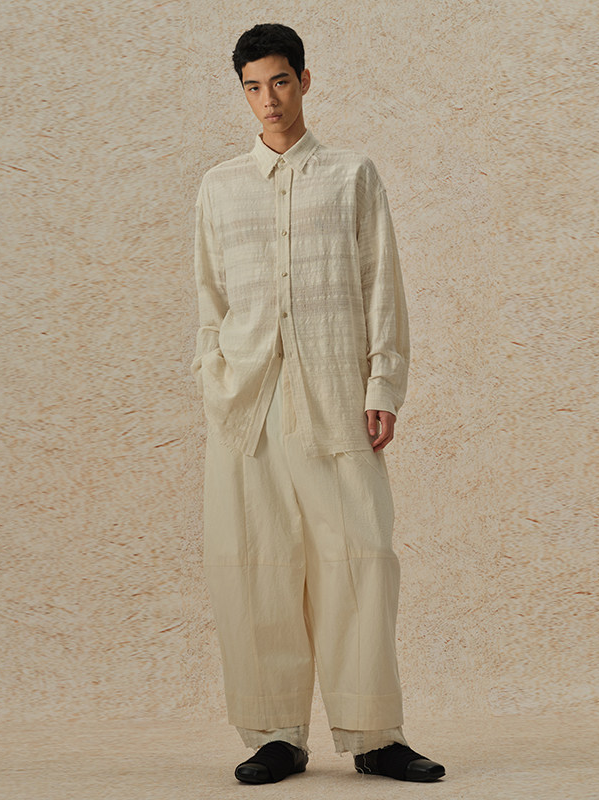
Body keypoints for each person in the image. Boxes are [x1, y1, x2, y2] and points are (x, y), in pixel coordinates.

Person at [191, 22, 445, 785]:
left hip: (335, 397)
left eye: (279, 81)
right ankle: (276, 736)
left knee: (360, 558)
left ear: (304, 80)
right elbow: (209, 299)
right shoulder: (219, 187)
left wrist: (383, 384)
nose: (267, 99)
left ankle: (375, 736)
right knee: (255, 564)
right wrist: (214, 377)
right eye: (252, 86)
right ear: (242, 92)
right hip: (246, 408)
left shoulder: (351, 175)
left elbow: (380, 283)